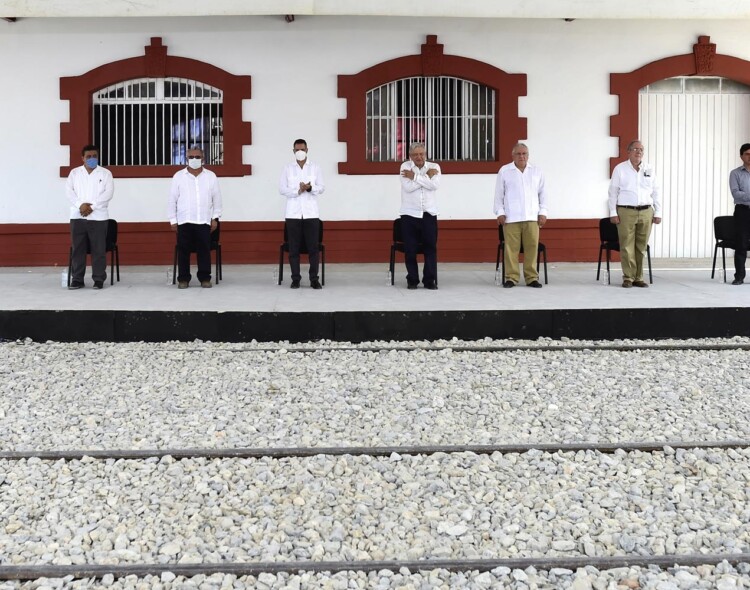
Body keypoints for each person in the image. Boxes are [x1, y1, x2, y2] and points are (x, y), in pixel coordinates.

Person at [608, 140, 661, 288]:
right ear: (628, 151)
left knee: (641, 246)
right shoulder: (620, 169)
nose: (639, 152)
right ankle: (628, 277)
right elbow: (613, 192)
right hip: (626, 211)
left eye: (641, 150)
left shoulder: (649, 168)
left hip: (646, 211)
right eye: (635, 149)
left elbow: (656, 191)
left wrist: (658, 212)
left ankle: (639, 277)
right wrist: (613, 212)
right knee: (626, 246)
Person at [493, 143, 547, 288]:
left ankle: (531, 278)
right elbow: (499, 195)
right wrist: (500, 212)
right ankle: (511, 277)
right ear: (513, 155)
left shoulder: (536, 171)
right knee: (511, 249)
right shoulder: (505, 171)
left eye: (524, 154)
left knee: (532, 247)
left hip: (532, 217)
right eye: (519, 154)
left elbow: (543, 194)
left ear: (528, 155)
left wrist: (543, 212)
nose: (522, 156)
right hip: (511, 217)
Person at [168, 146, 222, 289]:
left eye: (197, 157)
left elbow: (217, 199)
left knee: (204, 251)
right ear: (186, 159)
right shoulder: (178, 176)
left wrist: (215, 217)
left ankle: (204, 278)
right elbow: (172, 199)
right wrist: (173, 220)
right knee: (183, 251)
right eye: (191, 157)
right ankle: (183, 279)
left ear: (203, 158)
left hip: (203, 220)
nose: (194, 160)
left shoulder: (211, 176)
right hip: (184, 220)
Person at [65, 144, 114, 290]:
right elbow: (69, 192)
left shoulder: (105, 173)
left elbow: (108, 193)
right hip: (77, 216)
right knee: (78, 249)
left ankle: (98, 279)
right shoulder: (74, 173)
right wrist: (81, 205)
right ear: (82, 158)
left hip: (98, 217)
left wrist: (91, 207)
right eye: (89, 157)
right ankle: (77, 279)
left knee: (98, 250)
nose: (92, 159)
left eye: (95, 156)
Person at [279, 139, 325, 289]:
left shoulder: (315, 168)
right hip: (293, 214)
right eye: (297, 150)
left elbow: (322, 187)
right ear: (293, 151)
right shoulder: (287, 168)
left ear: (307, 150)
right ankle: (295, 279)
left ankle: (314, 279)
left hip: (311, 214)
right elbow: (282, 189)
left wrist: (310, 188)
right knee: (294, 249)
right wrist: (297, 191)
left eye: (302, 149)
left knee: (313, 248)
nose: (300, 152)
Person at [399, 142, 441, 289]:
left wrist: (415, 177)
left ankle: (429, 280)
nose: (419, 157)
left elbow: (434, 186)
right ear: (410, 156)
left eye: (421, 154)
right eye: (416, 154)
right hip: (409, 215)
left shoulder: (434, 167)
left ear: (425, 154)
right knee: (410, 250)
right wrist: (425, 177)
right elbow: (408, 188)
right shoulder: (405, 167)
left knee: (430, 248)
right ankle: (412, 280)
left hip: (428, 214)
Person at [729, 143, 750, 285]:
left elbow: (743, 193)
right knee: (741, 244)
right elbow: (736, 193)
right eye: (747, 154)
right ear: (741, 156)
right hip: (743, 211)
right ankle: (739, 277)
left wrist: (746, 194)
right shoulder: (735, 173)